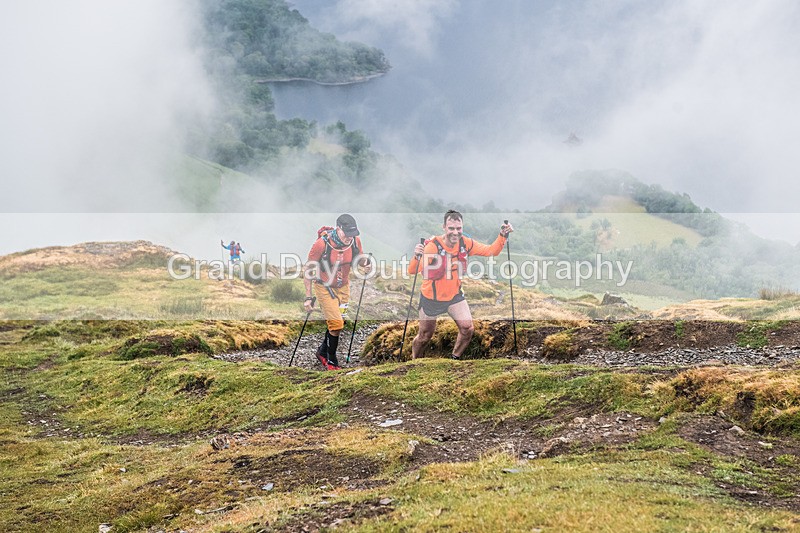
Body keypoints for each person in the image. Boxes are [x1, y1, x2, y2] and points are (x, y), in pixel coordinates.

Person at [407, 210, 513, 359]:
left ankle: (454, 358)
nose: (455, 232)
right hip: (431, 297)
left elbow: (491, 251)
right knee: (425, 336)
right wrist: (416, 255)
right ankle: (414, 362)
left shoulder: (466, 243)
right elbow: (413, 270)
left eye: (458, 228)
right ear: (444, 227)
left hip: (454, 296)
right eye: (451, 228)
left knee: (467, 328)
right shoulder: (433, 246)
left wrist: (503, 235)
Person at [303, 214, 368, 370]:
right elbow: (308, 270)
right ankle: (331, 360)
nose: (350, 238)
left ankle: (322, 352)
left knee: (338, 322)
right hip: (324, 287)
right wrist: (308, 297)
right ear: (338, 229)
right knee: (337, 324)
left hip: (344, 287)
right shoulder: (321, 245)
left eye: (353, 234)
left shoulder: (355, 241)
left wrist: (366, 265)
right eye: (347, 234)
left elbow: (360, 259)